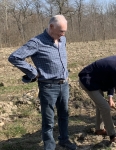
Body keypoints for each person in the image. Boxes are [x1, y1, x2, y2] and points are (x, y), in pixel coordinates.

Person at [8, 15, 76, 150]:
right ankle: (49, 147)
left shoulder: (63, 40)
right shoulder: (37, 42)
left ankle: (64, 140)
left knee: (64, 115)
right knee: (49, 120)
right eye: (60, 31)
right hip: (48, 86)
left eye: (64, 32)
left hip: (64, 84)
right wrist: (33, 72)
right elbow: (14, 57)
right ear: (51, 27)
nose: (63, 34)